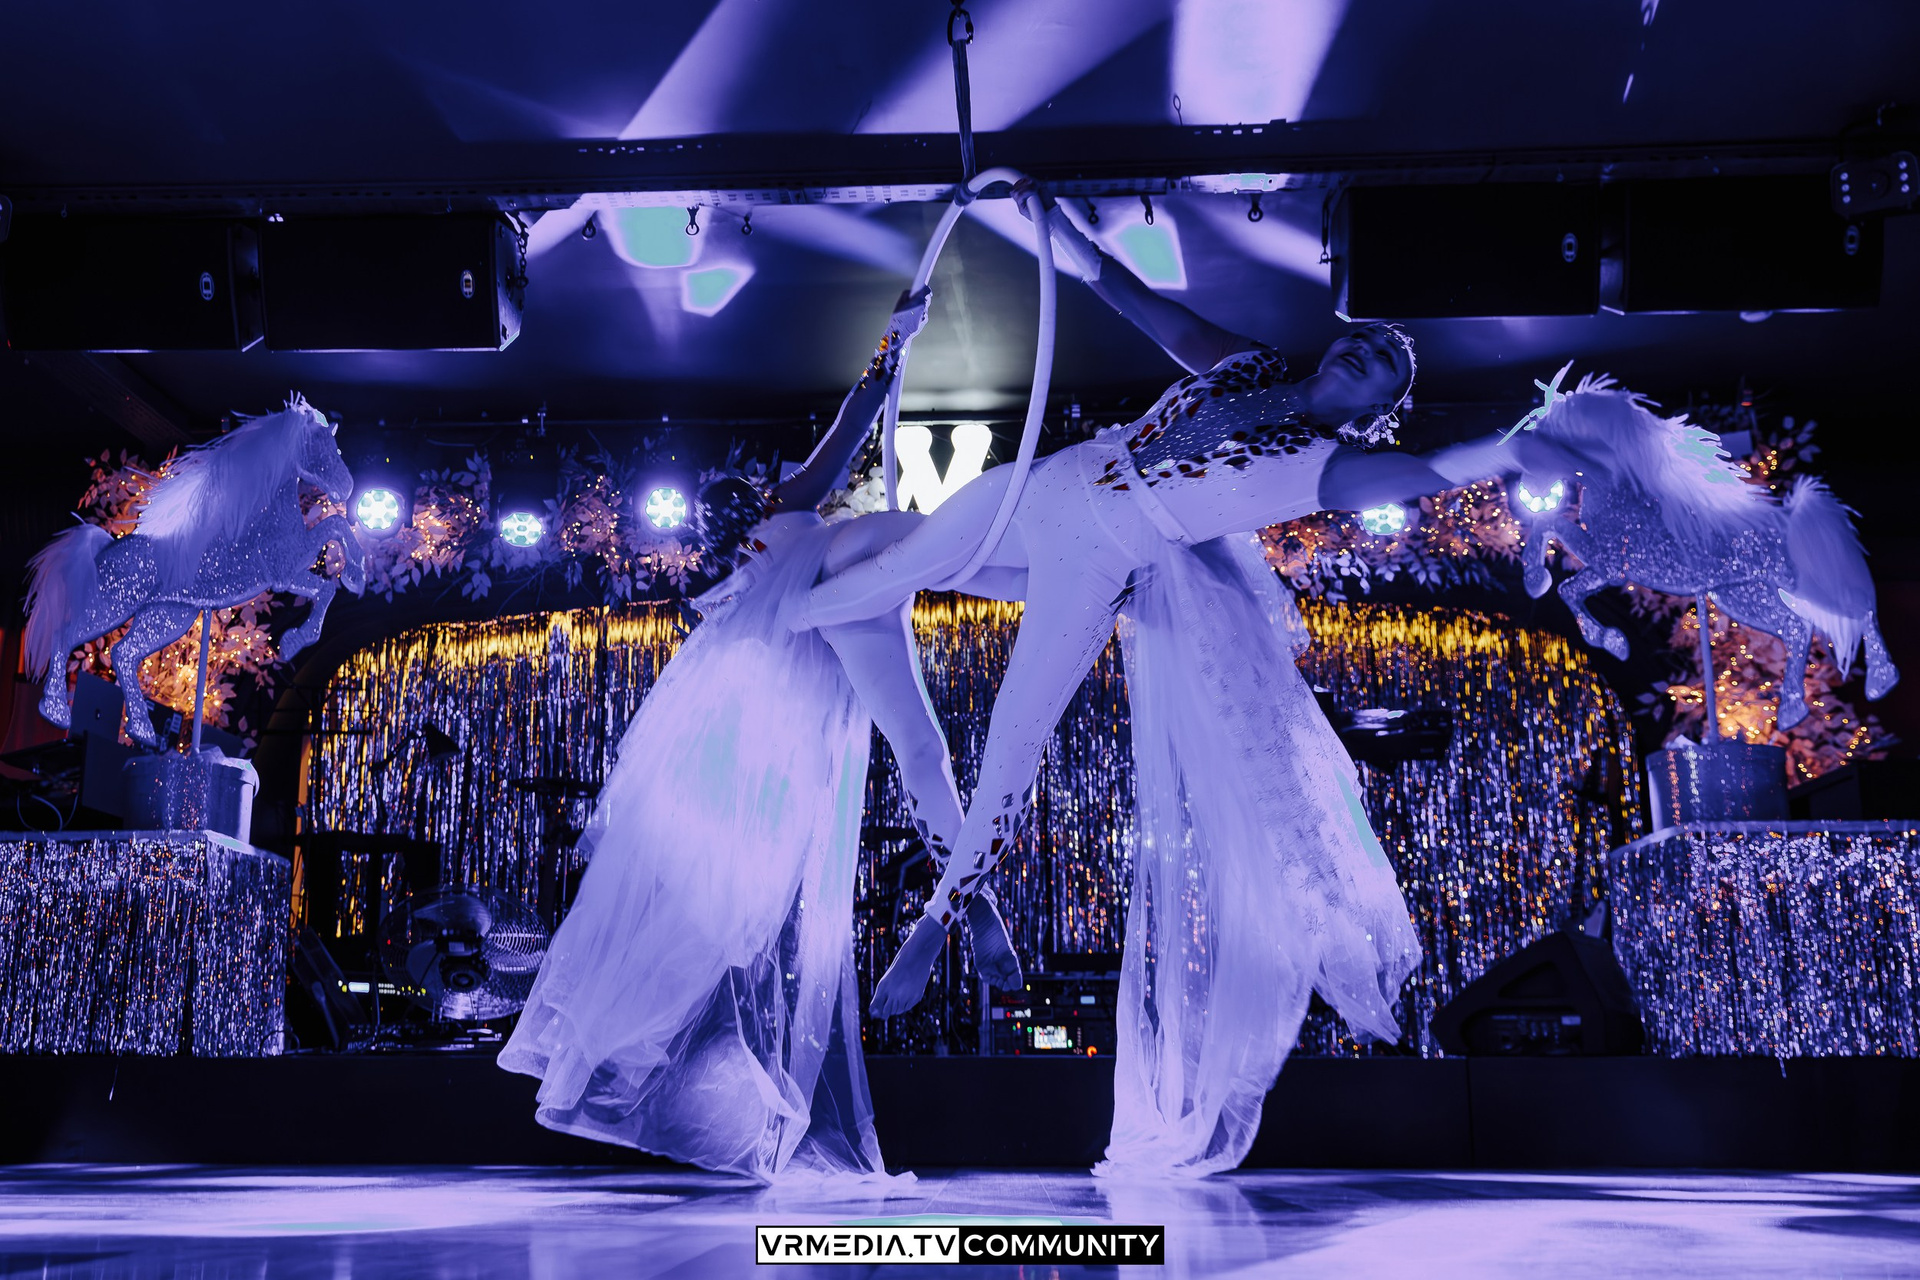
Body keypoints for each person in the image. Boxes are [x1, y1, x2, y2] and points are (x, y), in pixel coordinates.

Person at [793, 188, 1536, 1174]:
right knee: (887, 561)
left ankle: (938, 921)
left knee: (1016, 737)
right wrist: (1047, 218)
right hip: (1044, 487)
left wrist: (1525, 444)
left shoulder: (1326, 466)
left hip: (1102, 557)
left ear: (1379, 411)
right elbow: (1128, 294)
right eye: (1361, 337)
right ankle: (767, 615)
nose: (1366, 347)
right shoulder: (1247, 365)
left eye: (1385, 363)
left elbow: (1433, 473)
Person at [499, 288, 1022, 1181]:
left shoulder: (728, 598)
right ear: (744, 515)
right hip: (846, 574)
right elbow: (854, 424)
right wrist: (894, 339)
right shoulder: (783, 521)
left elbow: (855, 428)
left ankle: (972, 903)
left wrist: (895, 344)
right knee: (934, 623)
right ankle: (972, 893)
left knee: (918, 749)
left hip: (831, 622)